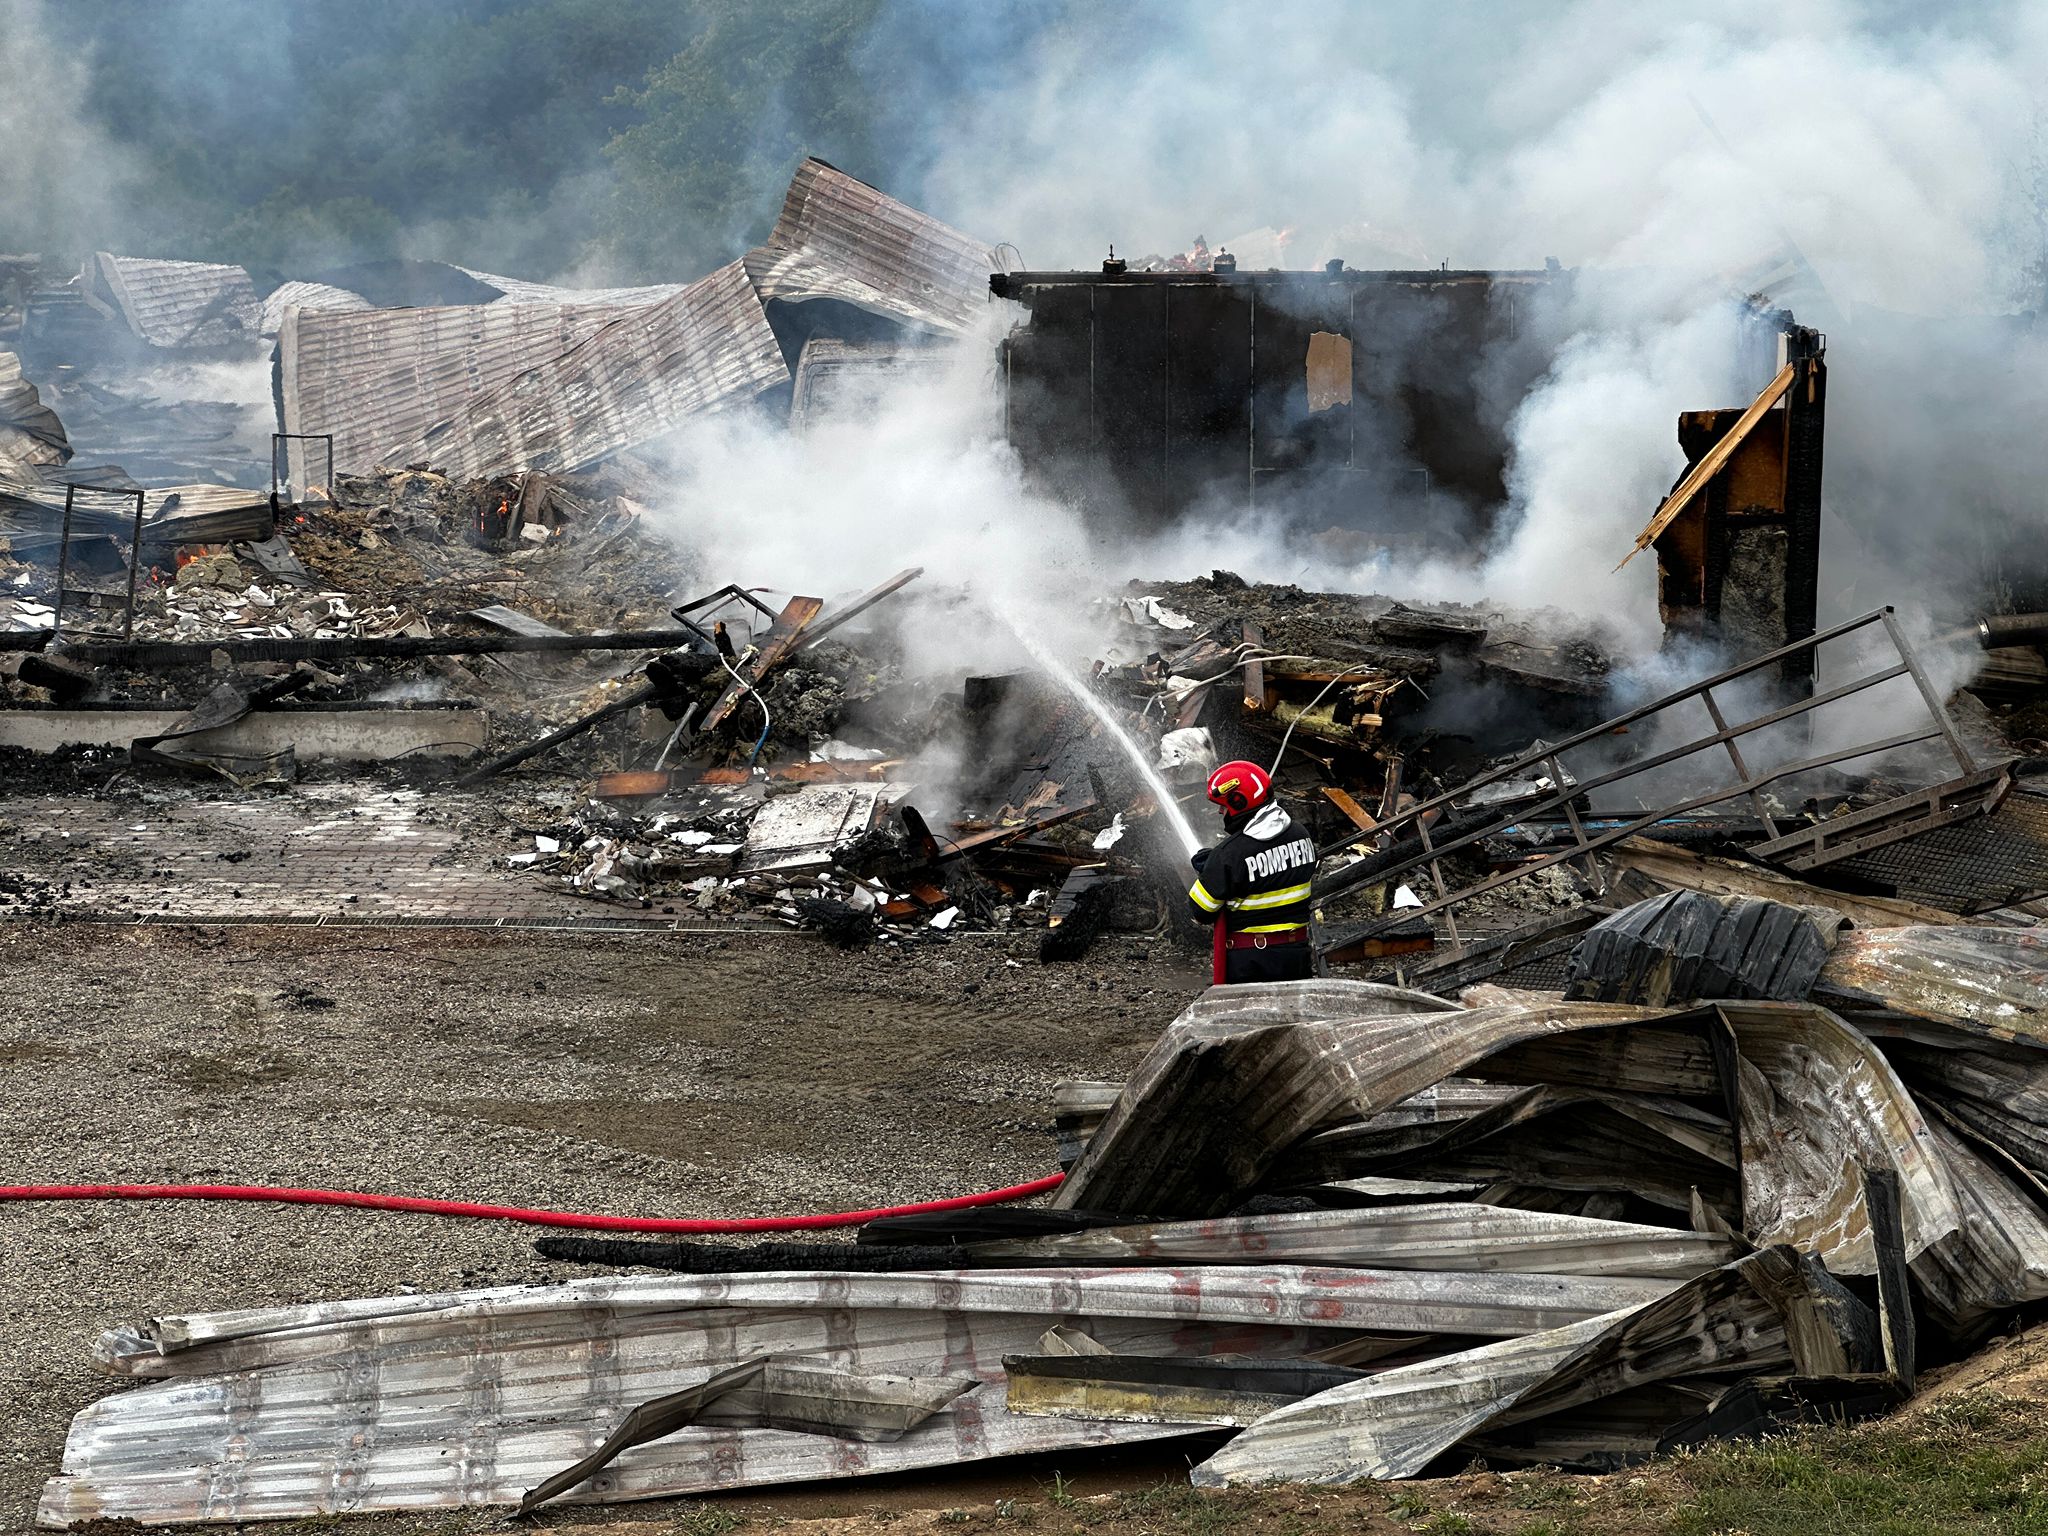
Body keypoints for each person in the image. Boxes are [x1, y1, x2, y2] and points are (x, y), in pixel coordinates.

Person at [1187, 760, 1318, 984]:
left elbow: (1200, 910)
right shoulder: (1301, 833)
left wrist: (1212, 870)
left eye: (1224, 805)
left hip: (1252, 962)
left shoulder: (1229, 855)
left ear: (1239, 801)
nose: (1221, 811)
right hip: (1297, 955)